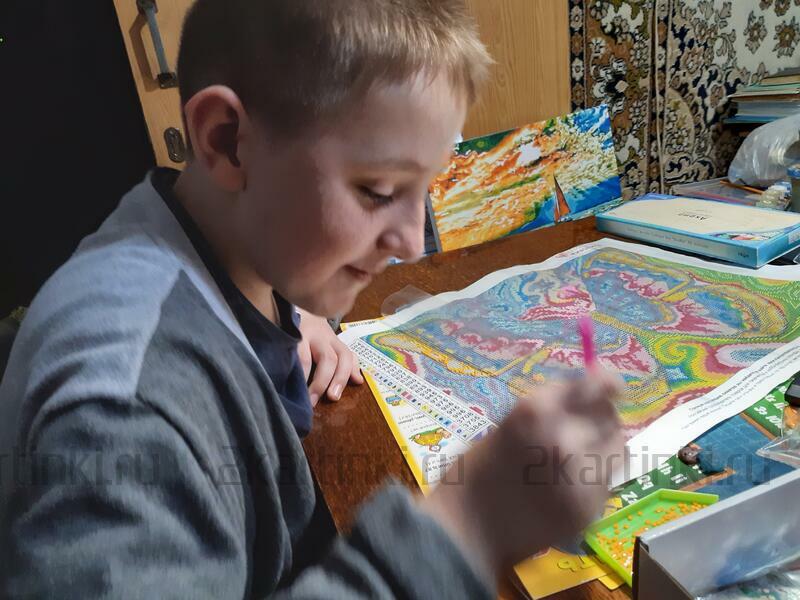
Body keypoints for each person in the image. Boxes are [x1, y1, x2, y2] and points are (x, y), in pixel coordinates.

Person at [0, 0, 624, 597]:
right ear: (227, 140)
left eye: (425, 186)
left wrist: (303, 308)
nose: (411, 242)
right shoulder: (126, 411)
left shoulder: (235, 248)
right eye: (378, 190)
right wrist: (470, 528)